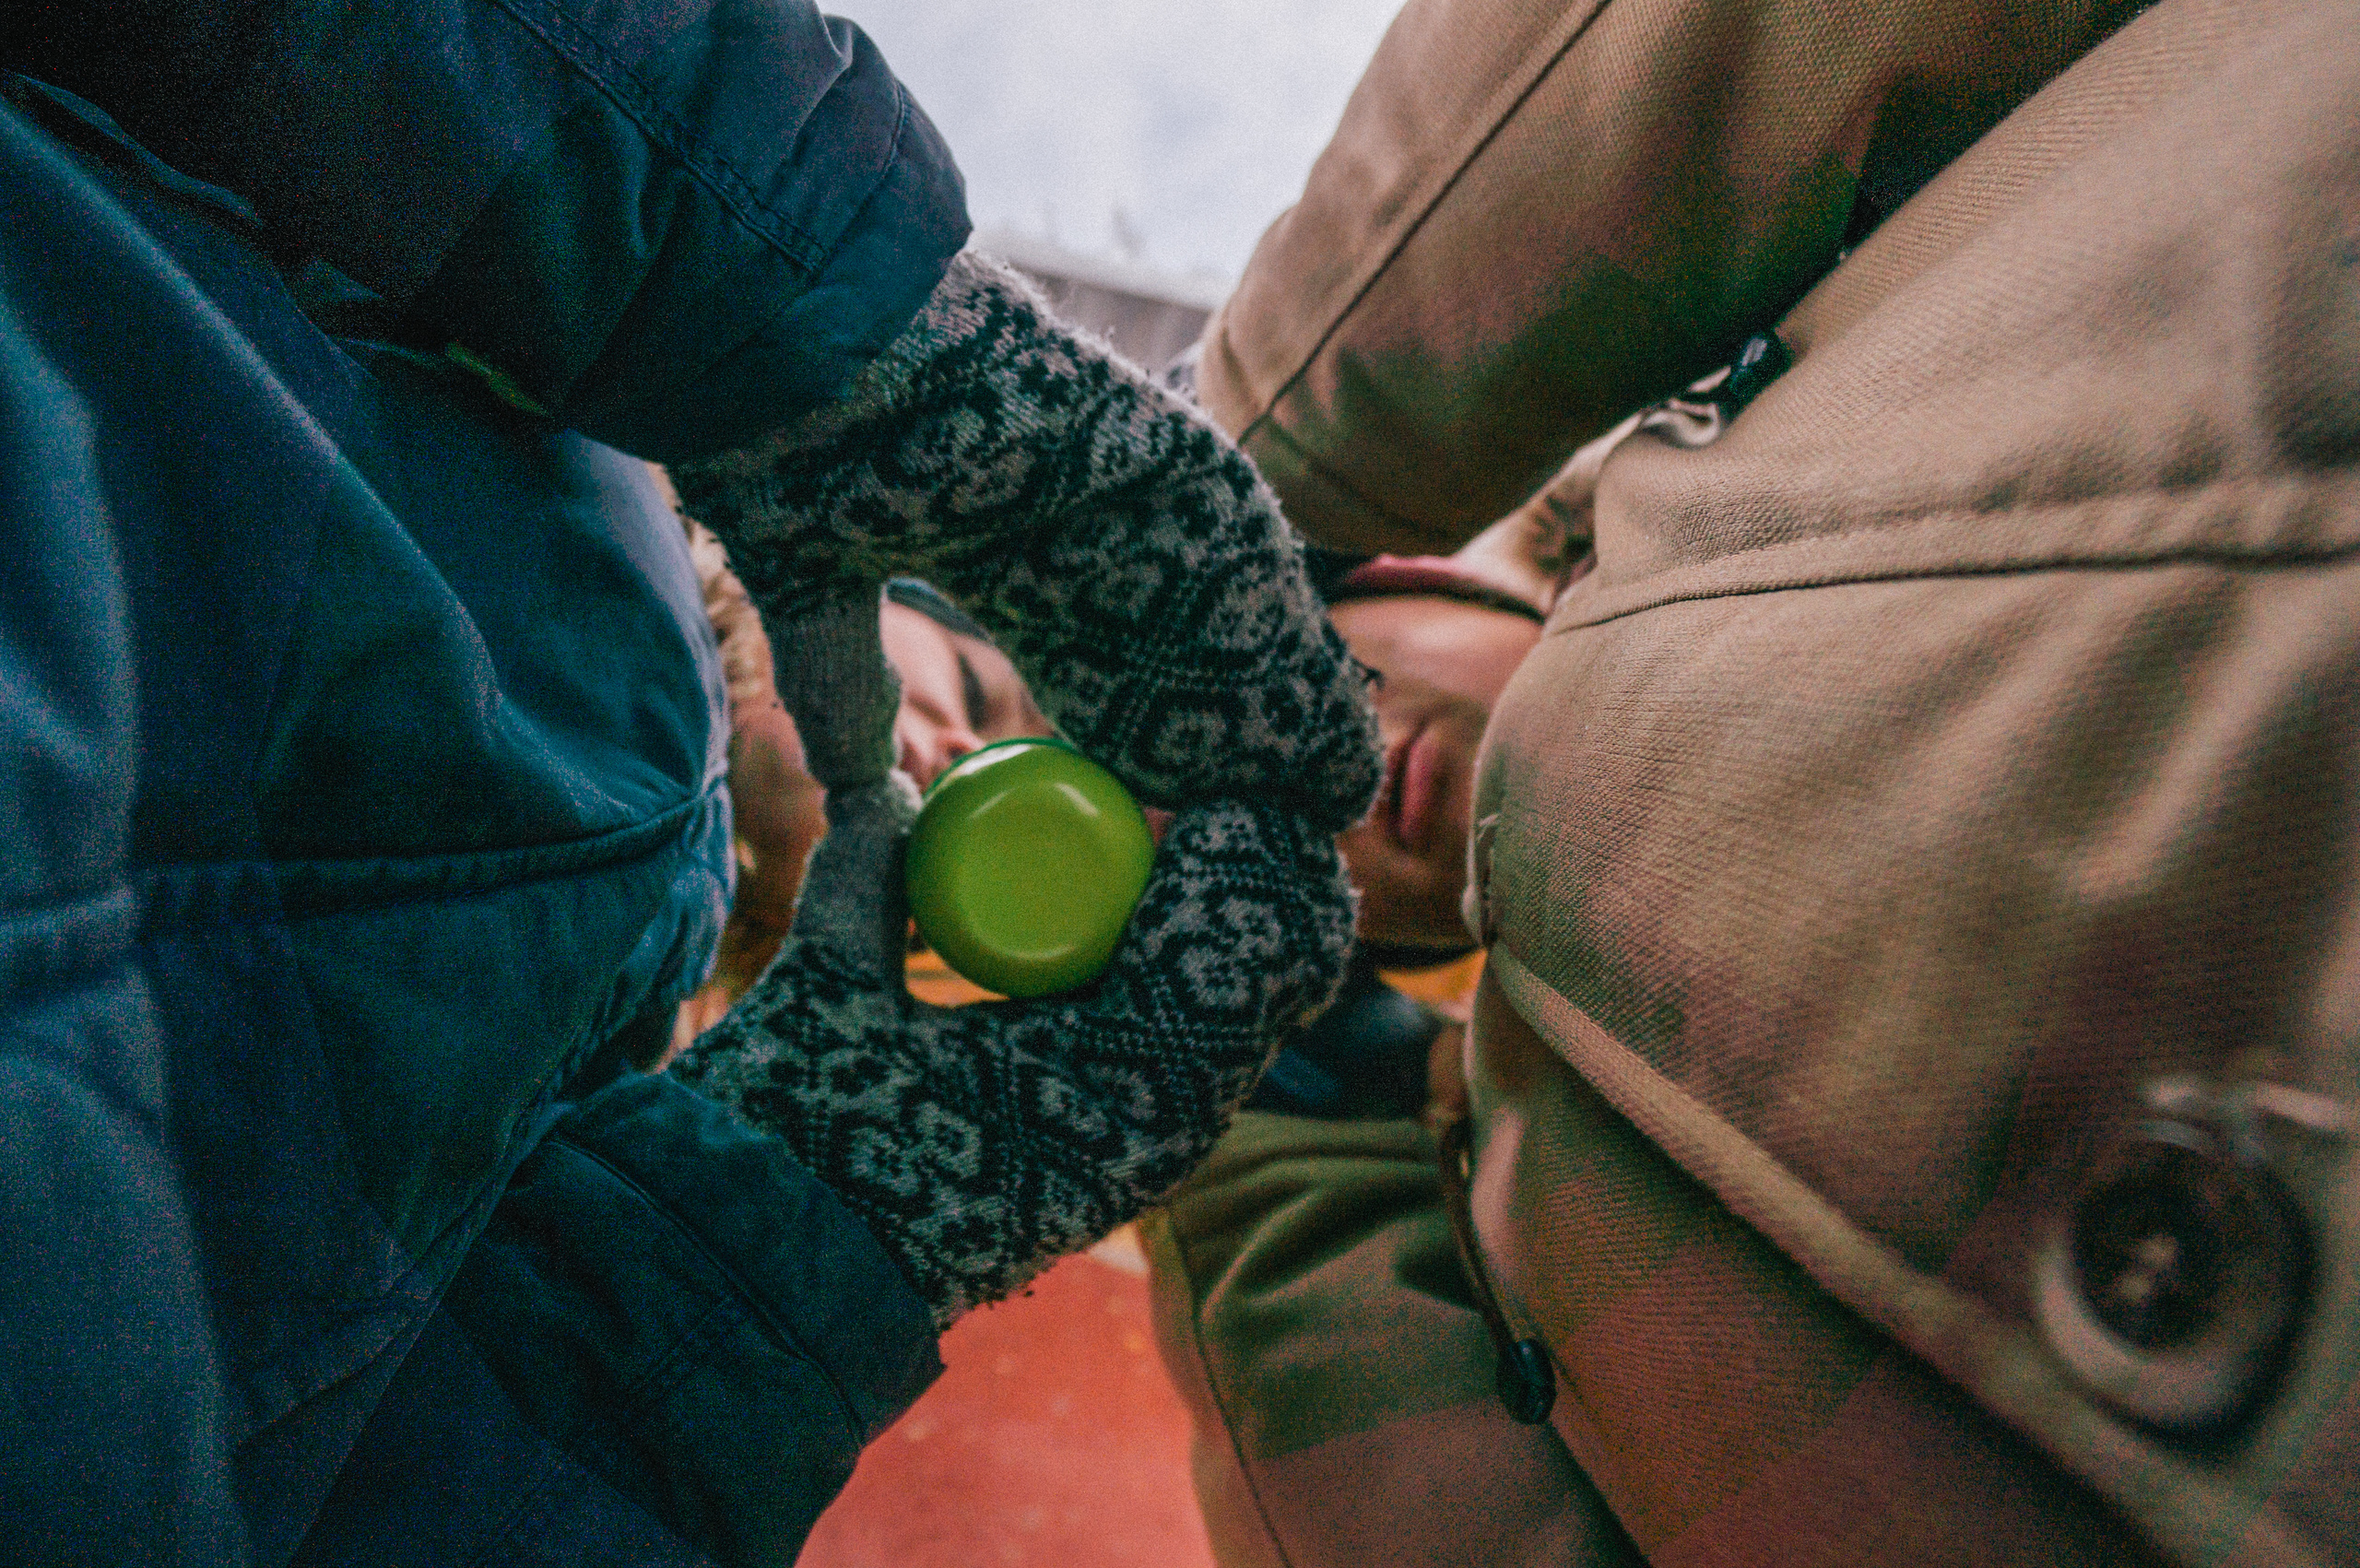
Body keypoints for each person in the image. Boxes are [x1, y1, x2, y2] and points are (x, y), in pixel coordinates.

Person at [0, 8, 1380, 1565]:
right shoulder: (550, 408)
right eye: (984, 705)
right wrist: (822, 322)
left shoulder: (587, 1106)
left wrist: (771, 1247)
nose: (936, 765)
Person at [1148, 1, 2360, 1565]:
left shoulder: (1799, 372)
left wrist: (1248, 461)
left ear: (1389, 570)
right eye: (1268, 850)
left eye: (1306, 685)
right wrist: (1248, 1136)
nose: (1334, 780)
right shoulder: (1485, 1162)